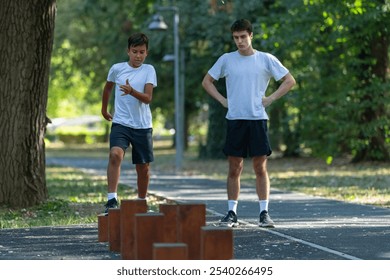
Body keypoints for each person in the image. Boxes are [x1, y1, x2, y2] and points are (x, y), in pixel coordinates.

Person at [202, 19, 295, 227]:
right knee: (234, 168)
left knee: (260, 167)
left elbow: (290, 81)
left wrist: (271, 98)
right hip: (235, 120)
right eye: (236, 38)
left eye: (243, 37)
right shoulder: (226, 59)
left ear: (251, 36)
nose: (240, 41)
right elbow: (207, 81)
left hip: (258, 119)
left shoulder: (266, 59)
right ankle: (232, 213)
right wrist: (222, 100)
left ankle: (264, 213)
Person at [101, 32, 157, 213]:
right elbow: (108, 88)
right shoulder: (117, 69)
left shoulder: (149, 70)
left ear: (146, 53)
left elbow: (148, 98)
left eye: (141, 52)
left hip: (142, 125)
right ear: (128, 51)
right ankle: (111, 199)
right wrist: (104, 108)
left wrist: (132, 91)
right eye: (135, 51)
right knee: (115, 155)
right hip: (121, 123)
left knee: (143, 168)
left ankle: (141, 201)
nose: (138, 56)